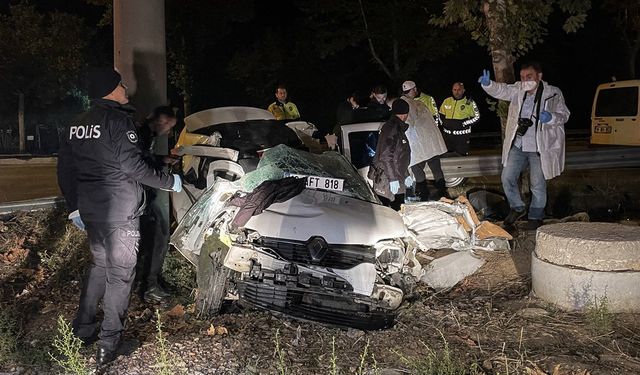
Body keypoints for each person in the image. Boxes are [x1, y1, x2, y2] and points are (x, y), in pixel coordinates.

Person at [57, 67, 183, 366]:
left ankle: (82, 329)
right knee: (120, 276)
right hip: (120, 211)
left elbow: (65, 169)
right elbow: (133, 167)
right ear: (110, 89)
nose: (125, 87)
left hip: (91, 210)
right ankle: (109, 344)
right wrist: (170, 182)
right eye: (120, 83)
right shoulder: (118, 121)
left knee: (98, 267)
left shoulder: (77, 124)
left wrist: (74, 206)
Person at [478, 61, 570, 230]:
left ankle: (535, 217)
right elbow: (502, 90)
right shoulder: (518, 89)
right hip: (518, 144)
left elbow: (564, 114)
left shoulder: (552, 93)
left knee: (537, 184)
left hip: (539, 147)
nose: (525, 80)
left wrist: (551, 118)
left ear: (539, 76)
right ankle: (517, 207)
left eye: (529, 76)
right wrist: (488, 84)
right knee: (507, 177)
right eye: (522, 77)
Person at [137, 106, 179, 304]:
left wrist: (161, 159)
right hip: (143, 195)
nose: (168, 132)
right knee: (158, 236)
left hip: (138, 196)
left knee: (151, 239)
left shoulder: (142, 132)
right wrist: (168, 181)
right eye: (169, 127)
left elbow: (144, 158)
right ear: (162, 121)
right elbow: (139, 164)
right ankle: (149, 286)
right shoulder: (141, 134)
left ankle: (144, 284)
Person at [401, 81, 449, 200]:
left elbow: (409, 124)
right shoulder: (417, 103)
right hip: (428, 143)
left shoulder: (410, 104)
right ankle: (441, 192)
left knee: (418, 169)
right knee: (435, 168)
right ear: (413, 89)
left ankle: (424, 194)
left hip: (419, 144)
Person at [368, 99, 412, 210]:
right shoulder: (392, 128)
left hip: (397, 177)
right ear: (405, 114)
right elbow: (385, 156)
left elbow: (399, 157)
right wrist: (392, 179)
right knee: (384, 212)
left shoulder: (398, 128)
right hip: (386, 178)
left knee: (398, 210)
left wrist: (405, 174)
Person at [439, 82, 480, 155]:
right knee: (447, 158)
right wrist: (444, 123)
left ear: (463, 90)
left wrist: (464, 123)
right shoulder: (447, 101)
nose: (456, 92)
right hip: (447, 137)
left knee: (461, 158)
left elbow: (477, 117)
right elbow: (440, 115)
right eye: (454, 90)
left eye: (459, 90)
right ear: (452, 90)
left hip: (462, 137)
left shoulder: (469, 102)